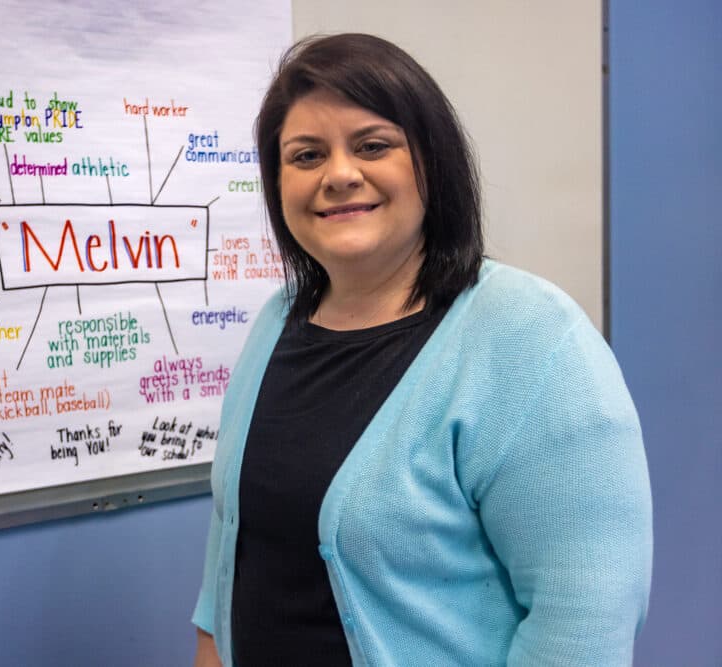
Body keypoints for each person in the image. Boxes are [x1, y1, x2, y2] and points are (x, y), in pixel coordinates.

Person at [192, 33, 652, 666]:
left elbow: (584, 623)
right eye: (305, 155)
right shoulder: (278, 321)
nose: (339, 175)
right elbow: (235, 544)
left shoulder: (531, 338)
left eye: (373, 145)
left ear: (432, 162)